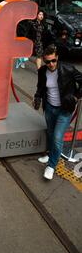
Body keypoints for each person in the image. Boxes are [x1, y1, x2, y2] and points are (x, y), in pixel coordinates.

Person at [33, 45, 82, 180]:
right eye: (47, 61)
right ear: (44, 60)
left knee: (57, 137)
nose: (51, 64)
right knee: (50, 132)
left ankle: (51, 165)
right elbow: (40, 87)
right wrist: (37, 97)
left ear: (57, 57)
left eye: (53, 60)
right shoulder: (42, 71)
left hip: (64, 109)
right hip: (49, 107)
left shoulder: (68, 69)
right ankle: (50, 154)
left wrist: (76, 96)